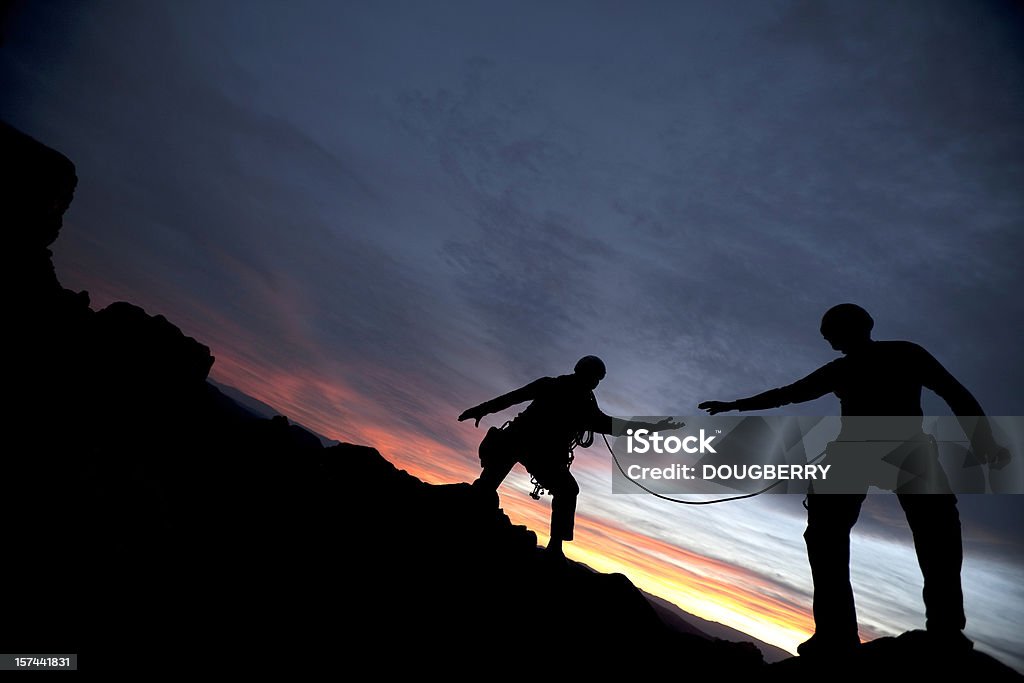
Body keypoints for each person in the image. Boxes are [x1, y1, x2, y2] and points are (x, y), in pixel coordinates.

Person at [698, 304, 1008, 657]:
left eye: (830, 332)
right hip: (875, 452)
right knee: (889, 533)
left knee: (934, 531)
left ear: (852, 328)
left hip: (892, 450)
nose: (828, 339)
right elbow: (791, 392)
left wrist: (985, 442)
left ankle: (927, 630)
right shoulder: (875, 360)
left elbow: (955, 393)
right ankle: (853, 633)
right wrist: (735, 405)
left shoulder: (897, 355)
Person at [459, 355, 678, 558]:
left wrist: (481, 410)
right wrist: (655, 428)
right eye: (595, 378)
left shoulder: (557, 389)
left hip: (520, 442)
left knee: (560, 489)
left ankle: (552, 544)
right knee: (566, 490)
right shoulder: (581, 404)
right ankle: (555, 546)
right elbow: (616, 427)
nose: (595, 384)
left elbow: (513, 398)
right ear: (587, 375)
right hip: (532, 449)